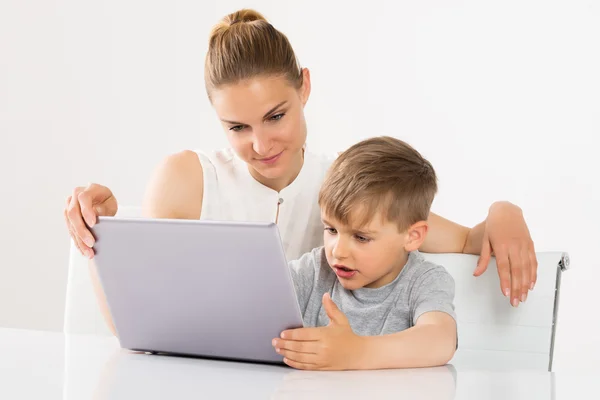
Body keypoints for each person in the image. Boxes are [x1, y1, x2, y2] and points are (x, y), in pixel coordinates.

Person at [64, 9, 536, 313]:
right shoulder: (185, 179)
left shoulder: (344, 182)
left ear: (304, 87)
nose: (261, 143)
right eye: (237, 128)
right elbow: (142, 318)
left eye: (276, 116)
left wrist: (504, 212)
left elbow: (466, 239)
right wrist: (99, 232)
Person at [272, 136, 456, 370]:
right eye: (331, 229)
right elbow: (256, 298)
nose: (338, 251)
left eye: (361, 237)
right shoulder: (316, 268)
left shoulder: (423, 280)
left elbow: (440, 340)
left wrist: (356, 352)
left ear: (413, 237)